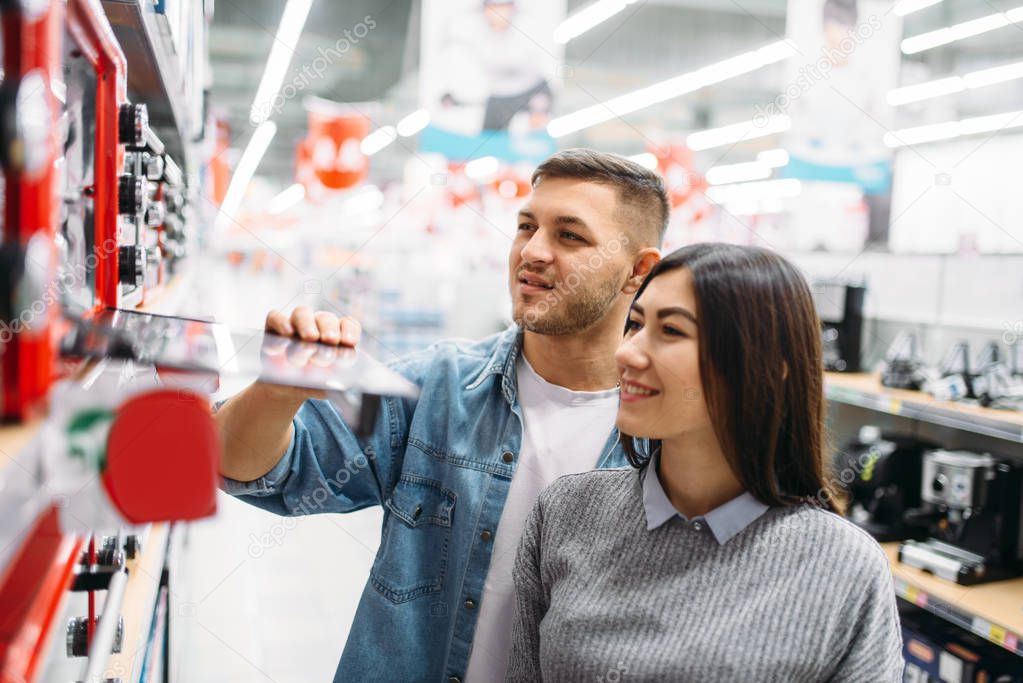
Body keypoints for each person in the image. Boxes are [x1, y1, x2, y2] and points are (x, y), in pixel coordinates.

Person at [214, 149, 666, 682]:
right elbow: (245, 468)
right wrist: (278, 389)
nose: (533, 251)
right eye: (526, 226)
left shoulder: (669, 435)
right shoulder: (437, 389)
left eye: (570, 236)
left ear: (638, 271)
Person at [507, 243, 904, 682]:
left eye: (672, 331)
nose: (627, 353)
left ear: (770, 366)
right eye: (634, 325)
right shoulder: (565, 513)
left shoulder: (844, 566)